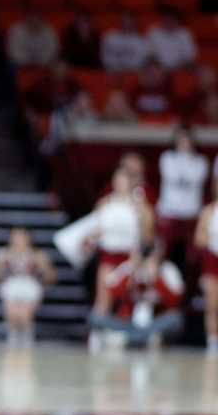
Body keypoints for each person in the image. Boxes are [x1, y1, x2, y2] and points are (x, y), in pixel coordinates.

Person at [89, 168, 154, 349]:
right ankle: (96, 335)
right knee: (103, 296)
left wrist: (142, 215)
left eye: (124, 179)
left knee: (134, 295)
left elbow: (148, 236)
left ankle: (137, 335)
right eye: (117, 179)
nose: (120, 183)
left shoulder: (140, 205)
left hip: (130, 257)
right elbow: (96, 229)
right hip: (109, 255)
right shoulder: (105, 203)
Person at [0, 228, 54, 346]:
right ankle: (12, 338)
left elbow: (50, 277)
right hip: (12, 284)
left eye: (21, 237)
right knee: (12, 314)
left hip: (30, 285)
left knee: (25, 315)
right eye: (16, 237)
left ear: (28, 239)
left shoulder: (38, 255)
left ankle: (27, 339)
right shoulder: (3, 254)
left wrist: (43, 269)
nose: (18, 240)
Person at [155, 126, 208, 267]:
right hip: (170, 213)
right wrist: (185, 177)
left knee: (192, 256)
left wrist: (183, 177)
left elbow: (195, 178)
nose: (184, 142)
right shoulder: (166, 157)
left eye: (186, 139)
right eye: (181, 139)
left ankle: (189, 285)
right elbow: (174, 177)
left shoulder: (201, 161)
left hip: (191, 214)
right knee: (164, 252)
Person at [194, 178, 218, 354]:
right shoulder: (209, 211)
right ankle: (212, 341)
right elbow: (198, 239)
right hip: (213, 261)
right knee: (212, 303)